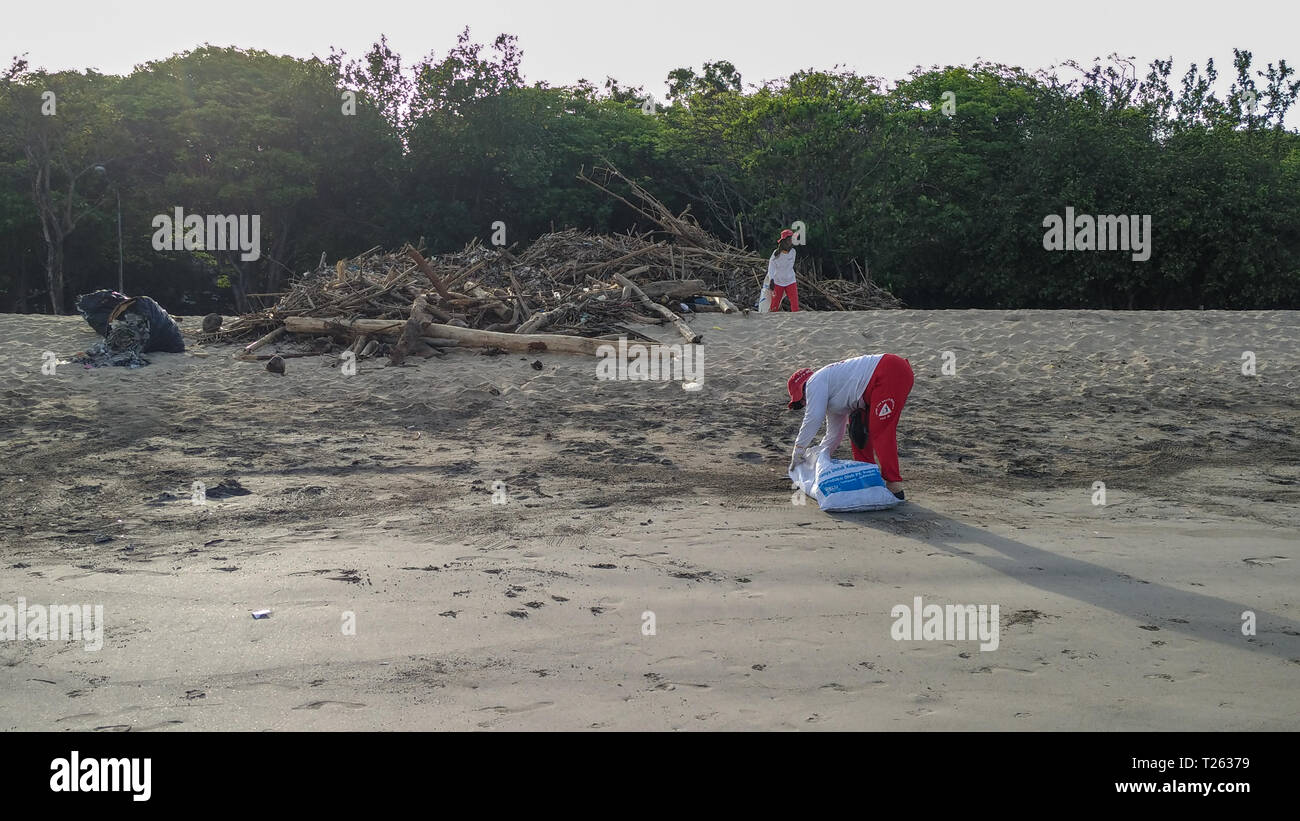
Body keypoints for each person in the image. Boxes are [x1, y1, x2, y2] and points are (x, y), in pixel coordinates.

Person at [786, 354, 915, 499]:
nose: (804, 404)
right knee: (857, 433)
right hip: (872, 387)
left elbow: (813, 418)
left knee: (880, 430)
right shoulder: (832, 395)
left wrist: (798, 451)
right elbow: (834, 436)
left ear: (804, 389)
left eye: (801, 400)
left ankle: (894, 486)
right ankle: (869, 479)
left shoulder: (814, 382)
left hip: (891, 371)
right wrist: (814, 464)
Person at [766, 229, 799, 312]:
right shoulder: (775, 254)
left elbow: (790, 266)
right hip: (778, 282)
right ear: (784, 241)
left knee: (795, 304)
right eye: (789, 239)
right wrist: (771, 279)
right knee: (774, 305)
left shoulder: (793, 252)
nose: (791, 241)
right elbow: (771, 267)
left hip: (791, 281)